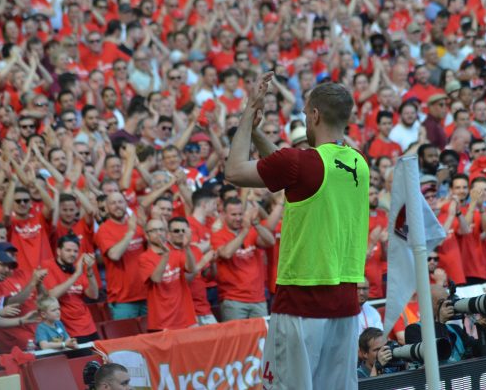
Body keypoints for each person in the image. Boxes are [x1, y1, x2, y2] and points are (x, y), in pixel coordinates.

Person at [225, 74, 369, 389]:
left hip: (302, 301)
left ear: (315, 115)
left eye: (305, 111)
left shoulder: (301, 163)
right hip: (344, 304)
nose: (304, 116)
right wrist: (259, 134)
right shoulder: (359, 163)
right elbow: (292, 167)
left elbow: (234, 171)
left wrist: (249, 114)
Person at [210, 198, 274, 321]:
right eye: (234, 214)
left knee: (262, 338)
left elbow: (270, 241)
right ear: (223, 214)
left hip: (258, 298)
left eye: (240, 214)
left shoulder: (252, 232)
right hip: (234, 299)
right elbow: (226, 253)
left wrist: (256, 224)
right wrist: (245, 230)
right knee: (236, 339)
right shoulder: (218, 235)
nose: (238, 218)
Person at [94, 192, 147, 319]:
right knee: (127, 338)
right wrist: (130, 232)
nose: (117, 206)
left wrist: (146, 228)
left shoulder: (138, 224)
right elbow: (114, 255)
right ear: (106, 208)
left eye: (120, 202)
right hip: (123, 299)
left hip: (147, 294)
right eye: (113, 203)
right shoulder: (104, 230)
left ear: (126, 204)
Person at [139, 218, 197, 331]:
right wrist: (165, 256)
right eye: (154, 230)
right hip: (162, 321)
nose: (159, 233)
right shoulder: (144, 258)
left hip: (184, 318)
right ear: (147, 235)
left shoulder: (176, 253)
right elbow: (156, 278)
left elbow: (191, 269)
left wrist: (187, 247)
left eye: (161, 229)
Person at [405, 284, 486, 363]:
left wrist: (484, 329)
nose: (448, 305)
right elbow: (436, 359)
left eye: (448, 300)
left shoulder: (455, 329)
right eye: (441, 302)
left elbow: (482, 353)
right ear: (426, 306)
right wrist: (439, 322)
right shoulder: (413, 330)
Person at [42, 235, 99, 343]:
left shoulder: (77, 268)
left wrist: (90, 271)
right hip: (67, 330)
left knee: (100, 358)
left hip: (88, 325)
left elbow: (93, 295)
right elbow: (51, 295)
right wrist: (76, 274)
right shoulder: (48, 266)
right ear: (58, 251)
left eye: (75, 251)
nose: (72, 254)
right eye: (68, 250)